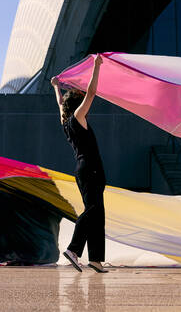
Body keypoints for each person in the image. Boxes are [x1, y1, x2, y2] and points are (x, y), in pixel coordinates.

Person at [51, 55, 108, 273]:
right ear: (77, 106)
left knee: (97, 213)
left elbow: (59, 102)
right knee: (93, 210)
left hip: (84, 170)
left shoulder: (66, 122)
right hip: (91, 169)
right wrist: (96, 66)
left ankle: (95, 259)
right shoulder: (77, 117)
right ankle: (74, 250)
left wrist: (56, 86)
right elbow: (92, 93)